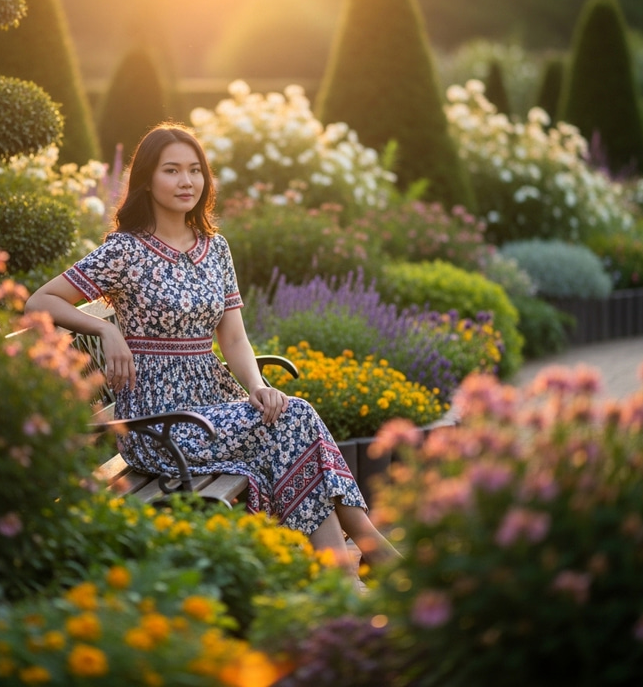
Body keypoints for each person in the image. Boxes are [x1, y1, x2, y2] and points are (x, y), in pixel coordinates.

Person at [25, 122, 397, 574]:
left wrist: (257, 386)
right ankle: (365, 554)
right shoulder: (125, 251)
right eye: (171, 170)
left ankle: (344, 568)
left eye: (195, 170)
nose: (186, 181)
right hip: (158, 423)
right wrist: (105, 331)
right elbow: (39, 302)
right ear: (147, 179)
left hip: (213, 406)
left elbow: (234, 337)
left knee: (286, 418)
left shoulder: (215, 248)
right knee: (295, 421)